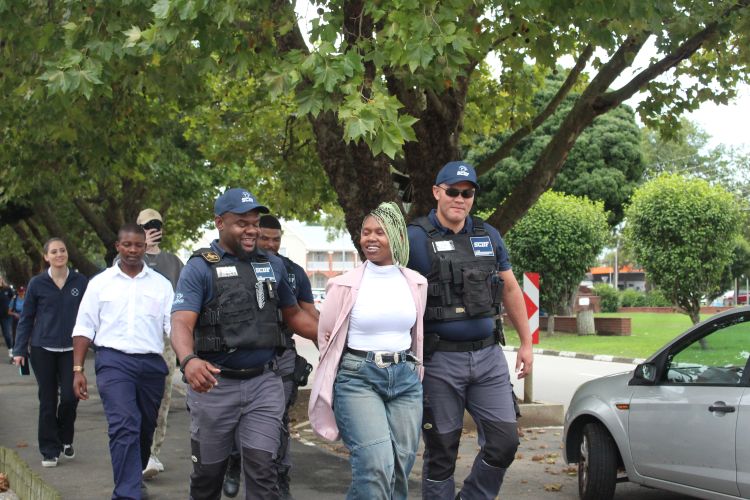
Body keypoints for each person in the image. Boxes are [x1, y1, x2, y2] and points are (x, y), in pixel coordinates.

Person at [170, 187, 319, 500]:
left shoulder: (273, 265)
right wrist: (189, 360)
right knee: (207, 478)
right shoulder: (200, 267)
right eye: (242, 223)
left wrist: (334, 338)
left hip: (264, 383)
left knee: (264, 471)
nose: (252, 230)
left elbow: (294, 315)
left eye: (254, 223)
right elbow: (181, 322)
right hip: (215, 386)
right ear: (219, 223)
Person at [406, 161, 533, 500]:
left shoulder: (488, 235)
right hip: (439, 360)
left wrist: (526, 343)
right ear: (437, 192)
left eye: (467, 193)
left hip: (488, 356)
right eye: (453, 191)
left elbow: (510, 288)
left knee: (504, 442)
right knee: (441, 451)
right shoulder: (413, 238)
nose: (460, 199)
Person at [309, 202, 427, 500]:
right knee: (375, 466)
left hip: (405, 378)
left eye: (380, 232)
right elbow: (327, 336)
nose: (370, 238)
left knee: (399, 467)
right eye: (366, 232)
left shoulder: (416, 282)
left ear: (397, 236)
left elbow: (416, 334)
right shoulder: (342, 285)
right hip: (358, 378)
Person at [217, 214, 318, 499]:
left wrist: (331, 351)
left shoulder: (290, 271)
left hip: (281, 354)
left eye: (276, 240)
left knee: (277, 420)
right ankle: (234, 460)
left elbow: (309, 314)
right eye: (265, 239)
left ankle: (279, 477)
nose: (271, 245)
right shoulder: (228, 266)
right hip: (240, 355)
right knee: (236, 419)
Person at [72, 224, 174, 499]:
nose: (132, 250)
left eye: (138, 245)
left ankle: (133, 477)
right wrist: (78, 369)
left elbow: (173, 327)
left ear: (145, 247)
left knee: (145, 427)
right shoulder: (99, 283)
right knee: (124, 424)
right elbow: (84, 327)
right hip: (113, 362)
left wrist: (189, 360)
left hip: (151, 365)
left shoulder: (161, 285)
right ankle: (127, 492)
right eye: (127, 245)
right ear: (118, 247)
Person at [12, 238, 88, 468]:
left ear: (67, 254)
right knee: (47, 399)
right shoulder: (37, 283)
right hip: (42, 348)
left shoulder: (80, 282)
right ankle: (49, 450)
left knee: (70, 397)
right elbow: (26, 318)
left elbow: (90, 314)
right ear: (46, 257)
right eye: (53, 252)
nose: (59, 254)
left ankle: (65, 437)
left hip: (71, 350)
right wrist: (19, 349)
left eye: (62, 250)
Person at [135, 208, 185, 480]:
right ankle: (135, 452)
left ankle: (152, 453)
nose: (153, 230)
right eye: (147, 226)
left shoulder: (173, 262)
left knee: (162, 400)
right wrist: (141, 249)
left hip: (164, 341)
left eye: (156, 225)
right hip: (134, 340)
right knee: (133, 401)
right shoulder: (128, 258)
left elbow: (185, 298)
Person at [0, 277, 13, 362]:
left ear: (1, 280)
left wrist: (10, 308)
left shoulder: (7, 289)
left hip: (6, 316)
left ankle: (11, 354)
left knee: (7, 335)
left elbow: (13, 298)